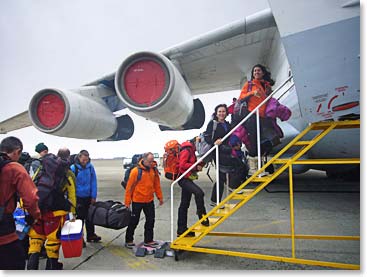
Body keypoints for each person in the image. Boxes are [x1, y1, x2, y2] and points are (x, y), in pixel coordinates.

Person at [27, 148, 76, 270]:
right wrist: (73, 213)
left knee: (36, 240)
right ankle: (51, 268)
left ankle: (31, 269)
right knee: (53, 242)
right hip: (55, 213)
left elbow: (31, 185)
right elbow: (72, 194)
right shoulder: (67, 172)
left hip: (38, 209)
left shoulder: (42, 169)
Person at [0, 136, 41, 270]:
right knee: (15, 262)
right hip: (4, 231)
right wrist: (34, 216)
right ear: (17, 151)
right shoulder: (13, 168)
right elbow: (30, 197)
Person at [237, 64, 275, 175]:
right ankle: (253, 169)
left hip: (263, 117)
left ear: (263, 73)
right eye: (254, 71)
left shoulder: (266, 86)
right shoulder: (249, 85)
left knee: (261, 141)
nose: (256, 72)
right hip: (252, 114)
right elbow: (241, 98)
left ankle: (259, 168)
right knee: (253, 141)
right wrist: (252, 93)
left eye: (258, 71)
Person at [124, 152, 163, 248]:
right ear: (144, 160)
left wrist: (160, 197)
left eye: (152, 161)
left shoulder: (153, 170)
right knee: (134, 221)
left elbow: (156, 185)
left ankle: (148, 240)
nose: (151, 163)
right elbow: (129, 187)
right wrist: (127, 202)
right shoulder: (135, 171)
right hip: (137, 201)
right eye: (149, 161)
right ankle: (129, 240)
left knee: (150, 220)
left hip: (149, 200)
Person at [177, 139, 208, 237]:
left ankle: (181, 229)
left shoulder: (191, 150)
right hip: (183, 179)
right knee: (199, 193)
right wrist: (195, 167)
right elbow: (182, 165)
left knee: (184, 204)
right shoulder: (187, 150)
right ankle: (202, 216)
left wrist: (200, 164)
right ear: (195, 142)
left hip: (187, 178)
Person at [203, 104, 232, 206]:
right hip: (217, 151)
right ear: (216, 113)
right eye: (219, 111)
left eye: (223, 111)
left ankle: (216, 199)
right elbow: (206, 137)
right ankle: (215, 200)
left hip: (226, 151)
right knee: (221, 175)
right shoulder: (213, 124)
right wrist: (214, 142)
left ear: (226, 113)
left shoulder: (228, 125)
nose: (221, 113)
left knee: (234, 167)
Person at [70, 150, 101, 244]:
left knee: (90, 217)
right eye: (83, 160)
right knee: (80, 219)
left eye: (86, 160)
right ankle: (80, 238)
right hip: (78, 197)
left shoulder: (90, 167)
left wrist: (93, 196)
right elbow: (71, 184)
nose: (85, 162)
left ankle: (91, 235)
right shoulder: (73, 168)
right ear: (79, 158)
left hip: (88, 196)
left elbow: (93, 182)